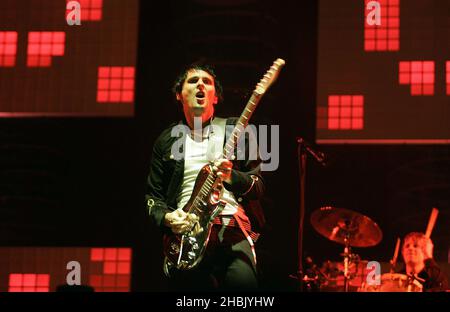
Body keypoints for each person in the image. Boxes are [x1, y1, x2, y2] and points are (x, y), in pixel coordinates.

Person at [145, 63, 265, 291]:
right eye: (192, 81)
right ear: (179, 95)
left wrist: (231, 175)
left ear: (215, 98)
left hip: (229, 227)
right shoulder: (166, 141)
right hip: (185, 238)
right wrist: (169, 218)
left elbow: (257, 186)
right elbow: (153, 198)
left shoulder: (234, 130)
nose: (200, 84)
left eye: (207, 82)